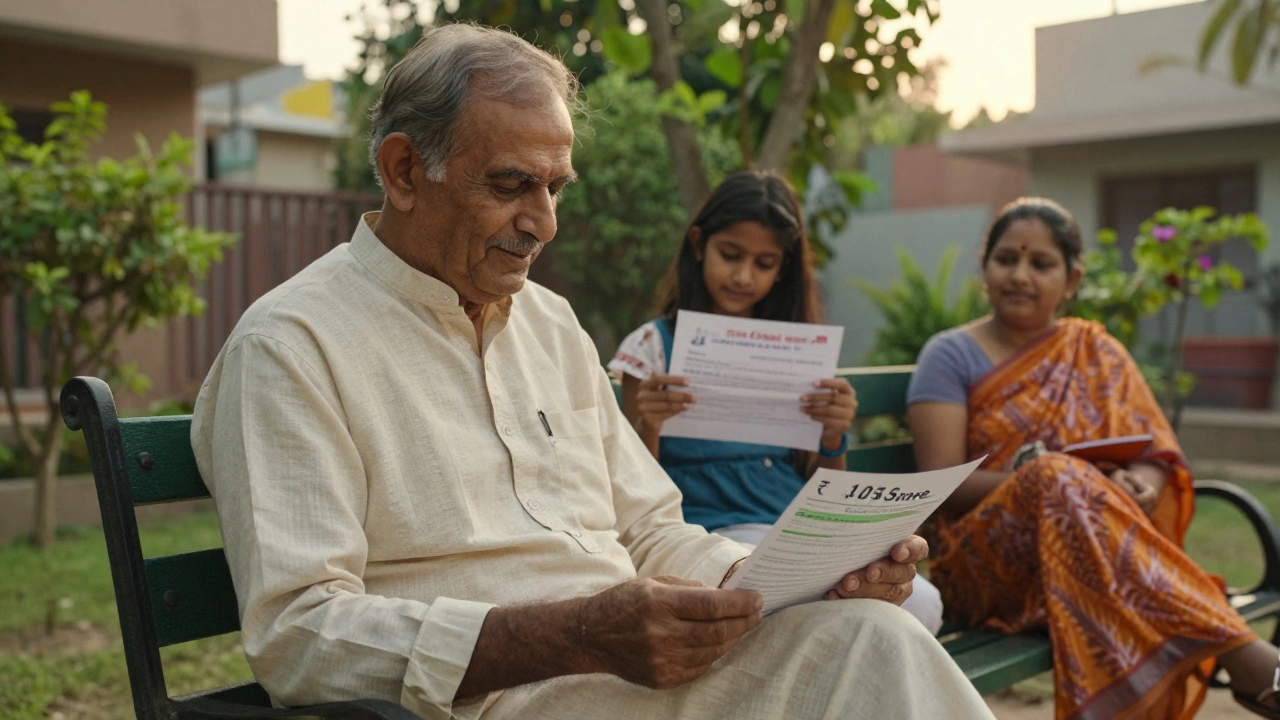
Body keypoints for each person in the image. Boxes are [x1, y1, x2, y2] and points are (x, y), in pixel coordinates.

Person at [190, 23, 995, 720]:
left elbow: (649, 529)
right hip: (496, 699)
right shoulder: (293, 345)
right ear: (404, 171)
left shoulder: (551, 324)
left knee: (871, 632)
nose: (542, 223)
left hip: (634, 677)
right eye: (511, 186)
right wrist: (572, 634)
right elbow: (299, 636)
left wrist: (773, 580)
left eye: (555, 188)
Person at [907, 196, 1280, 719]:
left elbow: (1152, 453)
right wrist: (1040, 479)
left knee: (1066, 482)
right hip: (985, 570)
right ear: (984, 267)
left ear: (1072, 278)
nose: (1020, 275)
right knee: (1058, 476)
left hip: (1095, 551)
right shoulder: (949, 355)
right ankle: (1249, 660)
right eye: (1006, 259)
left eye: (1041, 264)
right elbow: (938, 483)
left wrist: (1140, 485)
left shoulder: (1096, 350)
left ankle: (1248, 663)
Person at [610, 170, 944, 635]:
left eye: (764, 263)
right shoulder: (653, 347)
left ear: (783, 269)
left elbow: (823, 483)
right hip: (708, 535)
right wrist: (649, 423)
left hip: (796, 532)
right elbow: (634, 491)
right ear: (698, 244)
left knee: (922, 601)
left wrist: (832, 434)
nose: (744, 276)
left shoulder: (800, 351)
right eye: (731, 255)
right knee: (837, 613)